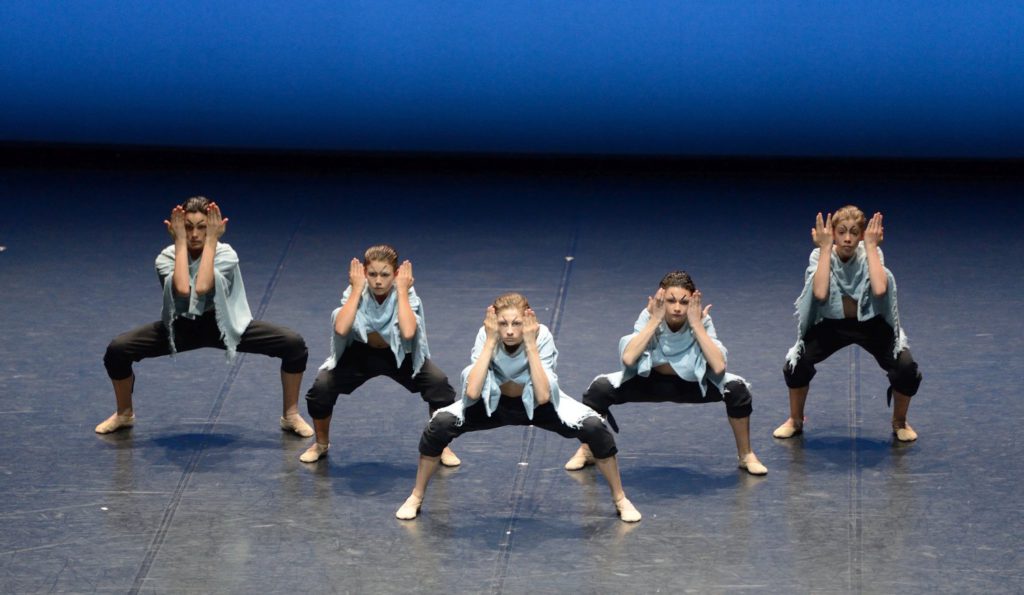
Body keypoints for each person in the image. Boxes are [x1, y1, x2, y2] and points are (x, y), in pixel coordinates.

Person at [396, 293, 641, 522]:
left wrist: (531, 345)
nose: (510, 331)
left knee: (594, 428)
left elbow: (544, 395)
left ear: (528, 320)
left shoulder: (541, 335)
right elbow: (472, 392)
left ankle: (620, 498)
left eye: (516, 323)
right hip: (492, 403)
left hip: (537, 404)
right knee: (439, 426)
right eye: (503, 324)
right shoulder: (487, 335)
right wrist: (490, 342)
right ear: (494, 322)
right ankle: (416, 496)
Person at [97, 196, 313, 437]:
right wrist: (180, 243)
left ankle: (291, 415)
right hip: (181, 327)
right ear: (177, 228)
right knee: (118, 350)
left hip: (226, 325)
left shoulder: (226, 254)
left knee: (293, 344)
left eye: (203, 227)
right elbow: (183, 290)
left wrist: (212, 241)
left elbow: (203, 286)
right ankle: (124, 414)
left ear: (214, 229)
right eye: (188, 227)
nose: (195, 234)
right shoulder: (167, 257)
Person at [564, 271, 768, 476]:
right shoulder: (651, 315)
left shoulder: (700, 320)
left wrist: (697, 324)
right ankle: (587, 449)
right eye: (671, 301)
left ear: (692, 303)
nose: (677, 307)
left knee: (737, 390)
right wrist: (654, 320)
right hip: (649, 381)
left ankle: (746, 455)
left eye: (684, 302)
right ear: (662, 300)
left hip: (692, 384)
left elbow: (718, 367)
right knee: (598, 391)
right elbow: (628, 358)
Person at [300, 245, 460, 466]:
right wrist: (356, 290)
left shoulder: (406, 294)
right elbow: (341, 329)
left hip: (399, 355)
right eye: (372, 274)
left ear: (395, 275)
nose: (377, 281)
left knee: (439, 386)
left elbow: (408, 332)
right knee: (321, 388)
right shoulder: (356, 291)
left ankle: (441, 447)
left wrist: (403, 291)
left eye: (385, 275)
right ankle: (321, 444)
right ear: (364, 273)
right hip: (360, 353)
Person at [773, 206, 922, 442]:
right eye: (841, 231)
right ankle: (795, 419)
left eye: (854, 232)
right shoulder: (820, 255)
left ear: (862, 235)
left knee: (905, 367)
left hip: (870, 324)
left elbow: (880, 290)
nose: (848, 238)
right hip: (832, 325)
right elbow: (820, 294)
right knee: (796, 364)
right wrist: (823, 249)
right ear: (833, 233)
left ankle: (900, 422)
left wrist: (872, 247)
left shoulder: (870, 253)